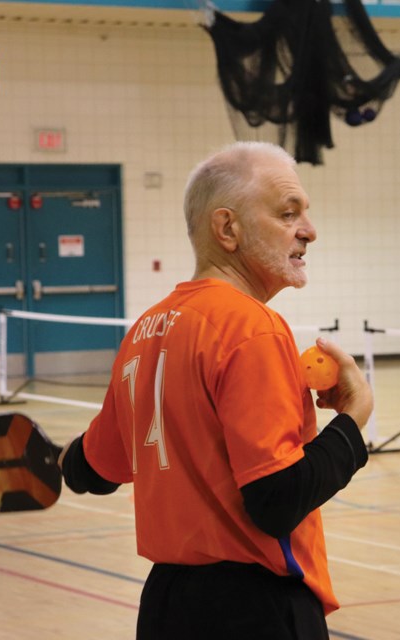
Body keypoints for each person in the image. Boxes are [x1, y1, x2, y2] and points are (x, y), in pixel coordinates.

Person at [57, 141, 374, 639]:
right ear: (227, 228)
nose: (309, 232)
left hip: (165, 608)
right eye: (289, 214)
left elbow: (95, 469)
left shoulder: (145, 329)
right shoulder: (253, 328)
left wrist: (60, 459)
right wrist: (353, 422)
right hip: (255, 612)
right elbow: (276, 500)